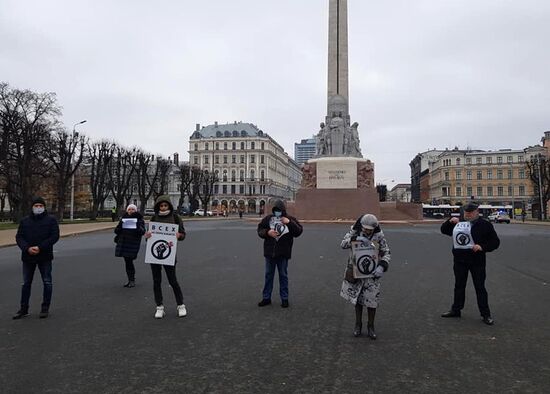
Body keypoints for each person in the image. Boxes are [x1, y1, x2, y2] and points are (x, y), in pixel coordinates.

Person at [440, 201, 500, 325]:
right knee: (459, 286)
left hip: (477, 261)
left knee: (480, 287)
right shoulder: (459, 223)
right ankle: (456, 309)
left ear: (477, 212)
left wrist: (482, 247)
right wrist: (449, 222)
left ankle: (485, 314)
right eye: (466, 212)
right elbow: (444, 231)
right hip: (460, 260)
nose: (468, 215)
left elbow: (495, 242)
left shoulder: (485, 225)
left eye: (471, 212)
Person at [340, 214, 391, 339]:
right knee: (357, 299)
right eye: (365, 228)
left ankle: (371, 326)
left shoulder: (379, 236)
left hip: (372, 273)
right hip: (356, 271)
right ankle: (358, 325)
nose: (367, 231)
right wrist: (355, 238)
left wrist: (382, 266)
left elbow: (386, 252)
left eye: (370, 229)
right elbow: (343, 244)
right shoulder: (355, 231)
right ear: (361, 226)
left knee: (372, 300)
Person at [13, 197, 60, 319]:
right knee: (26, 283)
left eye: (40, 205)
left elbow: (54, 236)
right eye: (36, 205)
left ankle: (45, 308)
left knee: (47, 282)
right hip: (28, 256)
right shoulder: (25, 221)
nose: (38, 208)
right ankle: (23, 309)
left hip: (44, 256)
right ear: (32, 207)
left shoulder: (51, 220)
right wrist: (27, 248)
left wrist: (40, 247)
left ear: (44, 207)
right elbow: (19, 237)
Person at [144, 195, 187, 319]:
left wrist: (179, 236)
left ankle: (181, 305)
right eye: (161, 206)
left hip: (169, 254)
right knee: (156, 281)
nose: (163, 208)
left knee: (172, 280)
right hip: (154, 256)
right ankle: (159, 307)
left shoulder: (175, 217)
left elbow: (183, 234)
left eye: (165, 205)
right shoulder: (154, 217)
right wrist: (148, 236)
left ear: (169, 206)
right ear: (158, 207)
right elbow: (150, 238)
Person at [257, 200, 303, 308]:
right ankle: (266, 297)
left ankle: (285, 298)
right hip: (270, 253)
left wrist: (289, 223)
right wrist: (267, 232)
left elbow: (299, 231)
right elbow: (260, 229)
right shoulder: (268, 219)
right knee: (268, 276)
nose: (277, 212)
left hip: (283, 253)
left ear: (283, 210)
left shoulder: (290, 219)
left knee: (283, 276)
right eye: (276, 210)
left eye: (279, 210)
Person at [114, 204, 146, 288]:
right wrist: (121, 226)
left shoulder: (139, 219)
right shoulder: (123, 219)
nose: (131, 211)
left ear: (136, 211)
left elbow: (142, 231)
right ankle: (130, 280)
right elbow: (116, 230)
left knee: (129, 261)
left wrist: (136, 226)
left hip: (133, 243)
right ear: (127, 210)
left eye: (133, 209)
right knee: (127, 261)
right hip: (124, 243)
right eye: (129, 209)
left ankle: (131, 280)